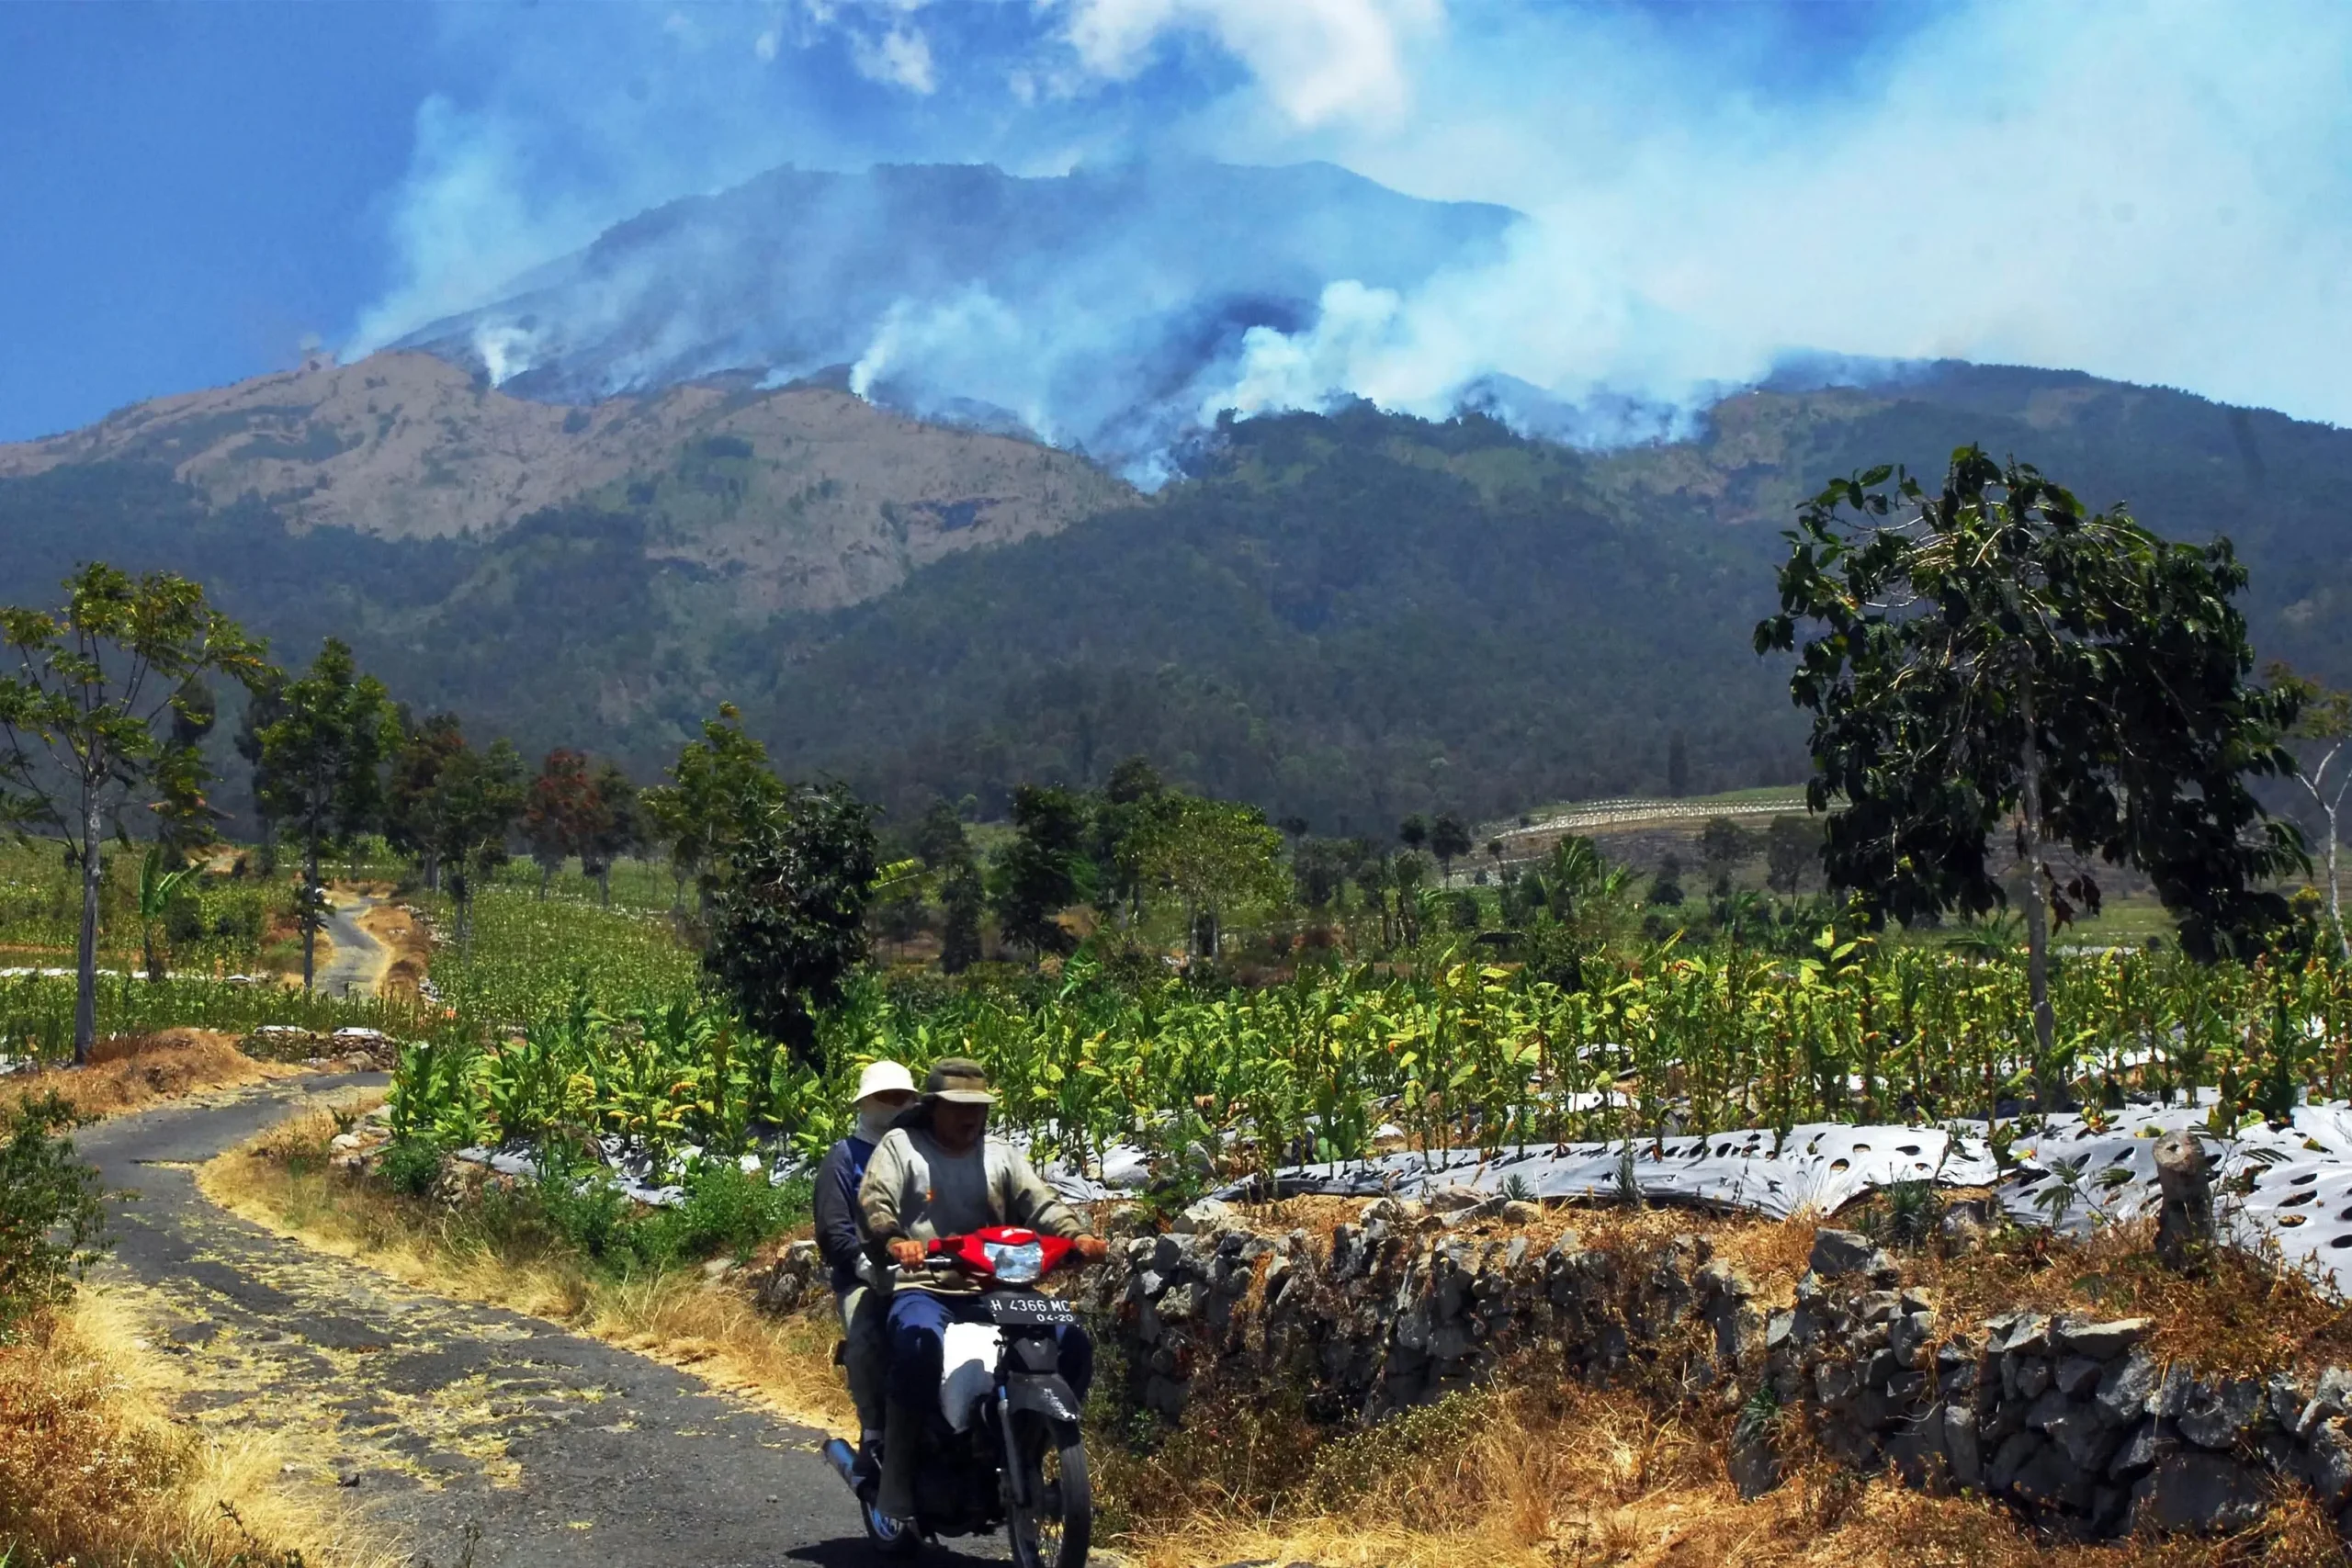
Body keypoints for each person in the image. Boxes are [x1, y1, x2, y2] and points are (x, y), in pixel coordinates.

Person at [858, 1057, 1107, 1525]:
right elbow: (875, 1204)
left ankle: (1030, 1443)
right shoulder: (901, 1148)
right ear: (934, 1108)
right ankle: (899, 1473)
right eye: (957, 1107)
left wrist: (1076, 1236)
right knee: (916, 1348)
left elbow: (1041, 1203)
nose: (970, 1117)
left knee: (1071, 1342)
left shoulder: (1001, 1156)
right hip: (925, 1285)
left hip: (999, 1284)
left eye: (978, 1107)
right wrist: (896, 1241)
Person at [813, 1058, 918, 1477]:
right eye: (886, 1098)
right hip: (865, 1277)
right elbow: (833, 1229)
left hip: (930, 1273)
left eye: (903, 1098)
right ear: (866, 1104)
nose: (895, 1106)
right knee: (866, 1336)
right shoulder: (845, 1158)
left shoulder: (921, 1153)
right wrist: (863, 1263)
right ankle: (873, 1434)